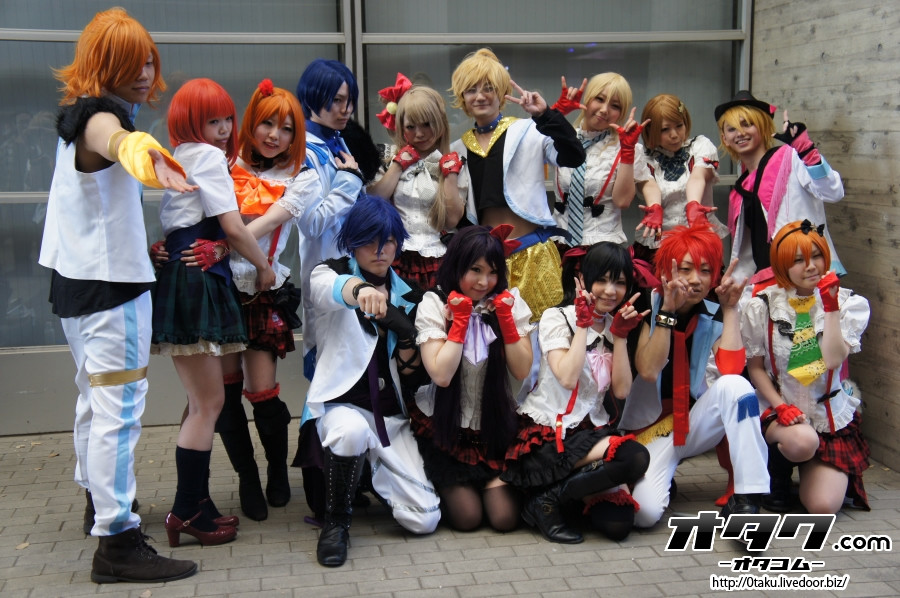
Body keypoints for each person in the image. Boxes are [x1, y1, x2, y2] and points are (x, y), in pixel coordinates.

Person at [38, 7, 197, 583]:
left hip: (78, 284)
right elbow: (118, 141)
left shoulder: (79, 117)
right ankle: (117, 541)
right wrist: (147, 155)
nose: (145, 72)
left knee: (94, 403)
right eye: (130, 62)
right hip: (110, 291)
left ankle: (99, 505)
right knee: (118, 413)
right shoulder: (100, 118)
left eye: (148, 60)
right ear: (102, 65)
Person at [152, 78, 276, 548]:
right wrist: (263, 267)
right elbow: (233, 227)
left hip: (185, 275)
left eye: (227, 118)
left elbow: (179, 224)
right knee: (209, 404)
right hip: (197, 278)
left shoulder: (180, 155)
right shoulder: (205, 156)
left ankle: (196, 504)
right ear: (191, 122)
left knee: (198, 402)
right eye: (212, 121)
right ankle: (187, 510)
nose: (224, 129)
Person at [192, 80, 323, 522]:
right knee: (227, 395)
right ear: (251, 123)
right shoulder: (225, 165)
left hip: (263, 286)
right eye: (267, 124)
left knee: (263, 393)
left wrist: (227, 245)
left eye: (286, 129)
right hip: (220, 286)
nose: (274, 136)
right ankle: (247, 477)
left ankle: (276, 471)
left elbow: (265, 224)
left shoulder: (303, 177)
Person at [306, 194, 440, 567]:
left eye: (388, 242)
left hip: (390, 418)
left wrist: (407, 333)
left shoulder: (410, 295)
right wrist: (361, 290)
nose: (379, 251)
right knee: (350, 431)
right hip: (342, 407)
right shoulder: (328, 272)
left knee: (425, 519)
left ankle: (367, 473)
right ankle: (336, 524)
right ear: (352, 241)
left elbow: (412, 376)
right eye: (368, 242)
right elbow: (333, 290)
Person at [502, 242, 650, 543]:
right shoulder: (557, 317)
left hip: (591, 434)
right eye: (602, 280)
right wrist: (583, 325)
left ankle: (551, 498)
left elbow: (622, 390)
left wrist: (621, 337)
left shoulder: (616, 325)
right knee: (634, 456)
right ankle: (549, 501)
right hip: (550, 435)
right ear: (583, 279)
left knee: (618, 525)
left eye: (620, 282)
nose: (610, 291)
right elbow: (568, 378)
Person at [623, 223, 770, 527]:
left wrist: (730, 310)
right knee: (644, 514)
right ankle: (657, 478)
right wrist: (668, 312)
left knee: (737, 388)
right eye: (686, 269)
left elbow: (731, 372)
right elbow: (648, 370)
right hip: (648, 431)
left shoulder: (714, 310)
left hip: (691, 423)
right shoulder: (647, 304)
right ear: (667, 271)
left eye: (705, 270)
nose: (695, 279)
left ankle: (747, 499)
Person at [741, 220, 870, 513]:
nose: (811, 266)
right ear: (782, 265)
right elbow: (755, 367)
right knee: (801, 441)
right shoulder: (762, 305)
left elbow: (833, 360)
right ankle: (776, 475)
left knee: (823, 506)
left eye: (817, 256)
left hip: (826, 418)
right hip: (780, 413)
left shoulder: (849, 304)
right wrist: (780, 407)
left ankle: (816, 470)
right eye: (798, 260)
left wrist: (831, 307)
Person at [411, 225, 532, 532]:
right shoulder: (434, 303)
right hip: (447, 432)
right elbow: (441, 375)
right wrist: (460, 322)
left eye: (492, 272)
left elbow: (521, 370)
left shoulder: (509, 302)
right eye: (475, 270)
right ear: (457, 266)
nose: (483, 282)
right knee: (468, 519)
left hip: (495, 430)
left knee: (504, 519)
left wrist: (505, 320)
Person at [449, 48, 585, 320]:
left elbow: (573, 156)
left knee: (544, 333)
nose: (480, 96)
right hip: (486, 263)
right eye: (471, 90)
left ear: (502, 93)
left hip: (533, 254)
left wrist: (545, 116)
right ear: (462, 97)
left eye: (488, 88)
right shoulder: (457, 149)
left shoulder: (529, 130)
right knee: (489, 336)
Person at [714, 90, 845, 288]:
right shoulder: (738, 193)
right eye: (732, 129)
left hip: (809, 275)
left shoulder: (791, 158)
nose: (740, 133)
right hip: (768, 286)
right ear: (725, 138)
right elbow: (747, 254)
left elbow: (833, 192)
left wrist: (806, 151)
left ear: (763, 127)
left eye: (747, 124)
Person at [368, 75, 465, 289]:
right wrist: (398, 165)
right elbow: (374, 201)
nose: (419, 134)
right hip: (396, 256)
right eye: (411, 127)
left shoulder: (454, 162)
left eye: (427, 124)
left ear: (440, 123)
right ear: (400, 127)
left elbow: (451, 221)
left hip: (440, 257)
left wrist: (449, 175)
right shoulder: (388, 158)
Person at [550, 73, 661, 250]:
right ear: (587, 98)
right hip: (558, 242)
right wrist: (555, 114)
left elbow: (623, 201)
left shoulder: (626, 146)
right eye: (599, 99)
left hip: (602, 249)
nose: (604, 109)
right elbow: (524, 151)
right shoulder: (561, 138)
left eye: (615, 106)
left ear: (621, 113)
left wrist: (627, 152)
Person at [639, 93, 728, 250]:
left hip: (699, 239)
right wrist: (655, 206)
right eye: (665, 129)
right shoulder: (642, 157)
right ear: (650, 131)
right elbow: (649, 184)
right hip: (661, 242)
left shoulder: (700, 146)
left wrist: (693, 205)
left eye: (679, 125)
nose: (674, 135)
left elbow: (698, 177)